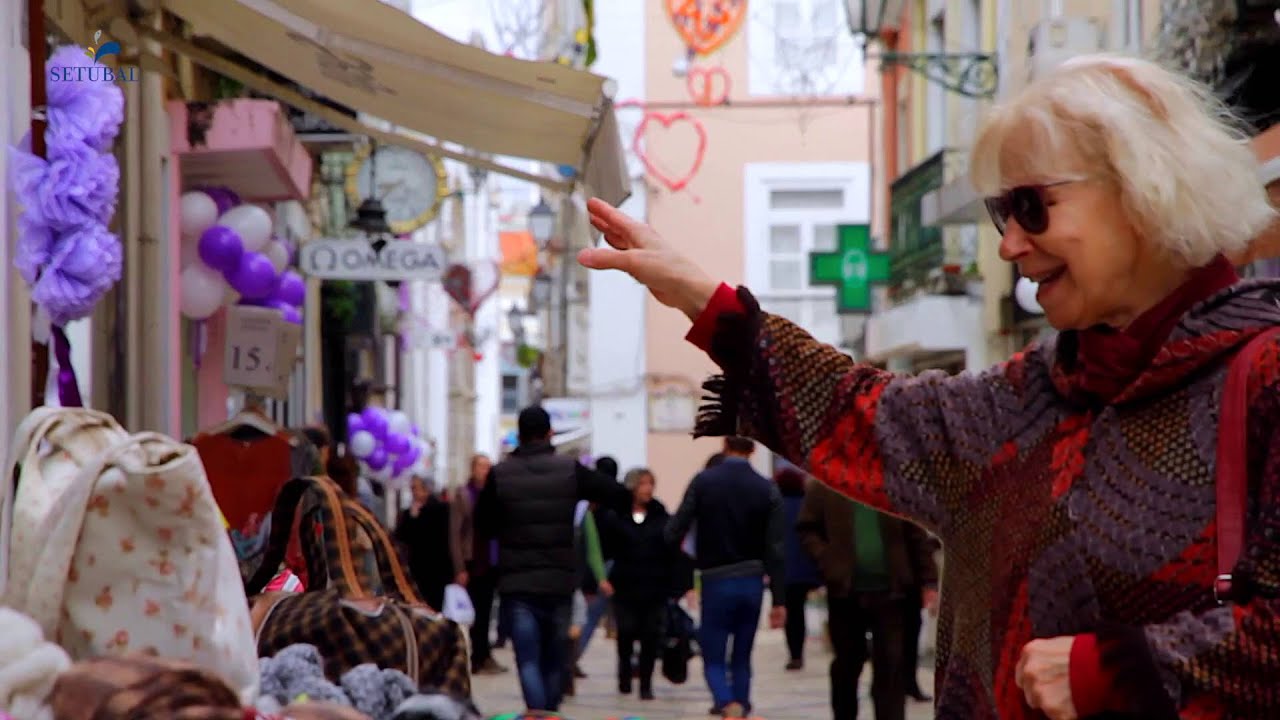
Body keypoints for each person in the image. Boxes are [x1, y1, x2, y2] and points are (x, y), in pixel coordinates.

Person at [578, 54, 1280, 718]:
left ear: (1144, 188)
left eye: (1032, 207)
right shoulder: (1034, 393)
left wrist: (1116, 670)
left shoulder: (1265, 379)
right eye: (1000, 213)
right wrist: (700, 295)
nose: (1009, 244)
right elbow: (861, 414)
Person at [474, 405, 631, 714]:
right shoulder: (569, 470)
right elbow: (619, 495)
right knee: (555, 655)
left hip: (517, 582)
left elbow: (483, 525)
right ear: (549, 433)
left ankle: (538, 711)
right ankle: (549, 710)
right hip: (559, 582)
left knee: (528, 657)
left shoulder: (500, 474)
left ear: (519, 435)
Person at [665, 437, 786, 719]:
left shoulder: (704, 482)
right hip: (753, 581)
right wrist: (780, 599)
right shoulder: (767, 488)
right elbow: (777, 550)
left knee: (714, 655)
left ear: (724, 444)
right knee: (742, 656)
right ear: (754, 449)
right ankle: (741, 706)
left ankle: (725, 701)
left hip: (715, 579)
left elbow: (673, 531)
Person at [796, 481, 939, 720]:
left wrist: (928, 580)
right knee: (847, 663)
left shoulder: (892, 483)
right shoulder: (826, 484)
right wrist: (826, 558)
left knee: (891, 664)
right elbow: (807, 528)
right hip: (845, 591)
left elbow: (916, 532)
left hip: (893, 591)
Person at [598, 468, 692, 700]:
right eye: (643, 484)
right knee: (626, 632)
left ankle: (646, 684)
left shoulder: (661, 516)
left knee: (651, 635)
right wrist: (602, 578)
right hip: (625, 585)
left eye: (651, 483)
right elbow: (604, 550)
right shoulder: (616, 516)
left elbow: (674, 553)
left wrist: (681, 585)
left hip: (655, 585)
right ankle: (624, 677)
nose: (648, 489)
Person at [449, 453, 506, 676]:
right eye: (481, 466)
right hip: (473, 559)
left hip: (492, 559)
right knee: (476, 612)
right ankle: (476, 655)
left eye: (488, 466)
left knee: (487, 608)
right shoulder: (464, 495)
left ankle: (484, 654)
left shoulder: (495, 494)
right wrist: (459, 567)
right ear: (473, 469)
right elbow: (455, 533)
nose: (485, 470)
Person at [773, 462, 820, 671]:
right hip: (809, 566)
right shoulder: (808, 504)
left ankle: (795, 654)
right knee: (800, 609)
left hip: (785, 568)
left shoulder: (776, 507)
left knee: (793, 612)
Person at [393, 476, 453, 610]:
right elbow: (402, 537)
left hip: (436, 568)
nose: (413, 492)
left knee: (434, 606)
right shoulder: (409, 513)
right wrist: (412, 517)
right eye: (412, 488)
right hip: (416, 567)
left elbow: (440, 536)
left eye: (416, 488)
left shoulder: (441, 509)